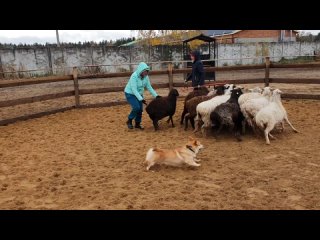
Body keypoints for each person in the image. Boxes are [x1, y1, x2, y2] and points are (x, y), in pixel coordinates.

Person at [124, 62, 161, 130]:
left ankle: (137, 124)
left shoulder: (146, 77)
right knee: (136, 107)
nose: (146, 73)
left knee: (140, 109)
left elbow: (149, 87)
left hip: (139, 94)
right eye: (145, 72)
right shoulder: (134, 76)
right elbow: (134, 89)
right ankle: (129, 120)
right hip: (130, 93)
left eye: (147, 72)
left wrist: (156, 96)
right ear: (141, 70)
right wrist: (141, 99)